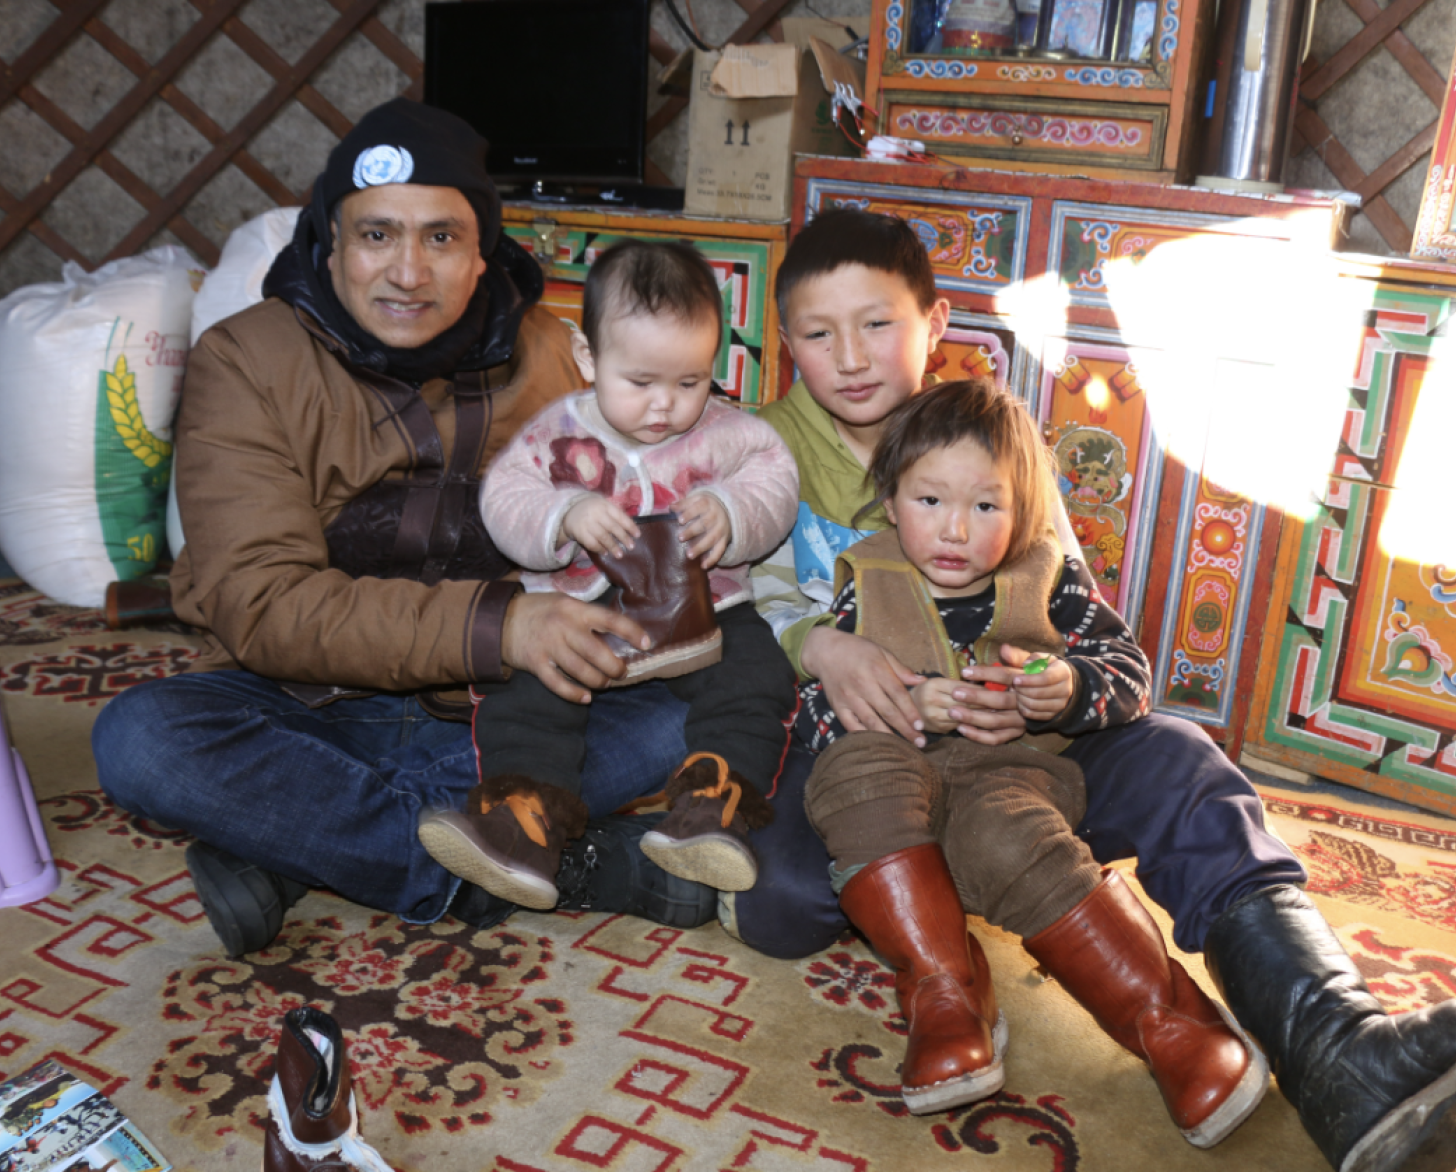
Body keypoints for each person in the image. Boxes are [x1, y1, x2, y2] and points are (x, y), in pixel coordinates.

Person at [738, 207, 1456, 1172]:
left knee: (1179, 759)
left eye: (879, 323)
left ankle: (1331, 1041)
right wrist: (825, 647)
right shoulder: (755, 450)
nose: (854, 356)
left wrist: (1053, 690)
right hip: (862, 748)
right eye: (821, 334)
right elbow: (741, 598)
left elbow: (1067, 610)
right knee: (783, 902)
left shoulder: (1001, 435)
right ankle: (952, 973)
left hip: (1024, 761)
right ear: (787, 345)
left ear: (935, 322)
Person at [90, 97, 719, 959]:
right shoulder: (248, 361)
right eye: (377, 235)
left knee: (693, 706)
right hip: (307, 707)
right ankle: (556, 864)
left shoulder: (549, 351)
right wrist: (503, 625)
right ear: (332, 241)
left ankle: (297, 848)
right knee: (145, 743)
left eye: (441, 238)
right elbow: (263, 605)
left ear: (483, 249)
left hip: (498, 715)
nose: (407, 272)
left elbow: (641, 498)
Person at [799, 378, 1266, 1143]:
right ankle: (944, 993)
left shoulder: (1048, 579)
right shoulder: (865, 578)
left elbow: (1129, 673)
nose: (955, 529)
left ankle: (1167, 1021)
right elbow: (815, 714)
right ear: (889, 500)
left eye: (986, 507)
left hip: (1006, 773)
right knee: (850, 782)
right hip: (894, 777)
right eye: (929, 502)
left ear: (1024, 513)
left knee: (1007, 834)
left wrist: (1066, 689)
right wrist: (900, 708)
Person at [420, 239, 798, 910]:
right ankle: (522, 821)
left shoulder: (728, 432)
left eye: (690, 382)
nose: (666, 406)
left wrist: (733, 511)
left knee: (757, 676)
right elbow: (503, 498)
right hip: (579, 613)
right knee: (527, 692)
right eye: (642, 382)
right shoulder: (555, 434)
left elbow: (776, 480)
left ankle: (713, 805)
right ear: (589, 357)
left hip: (706, 612)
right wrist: (564, 514)